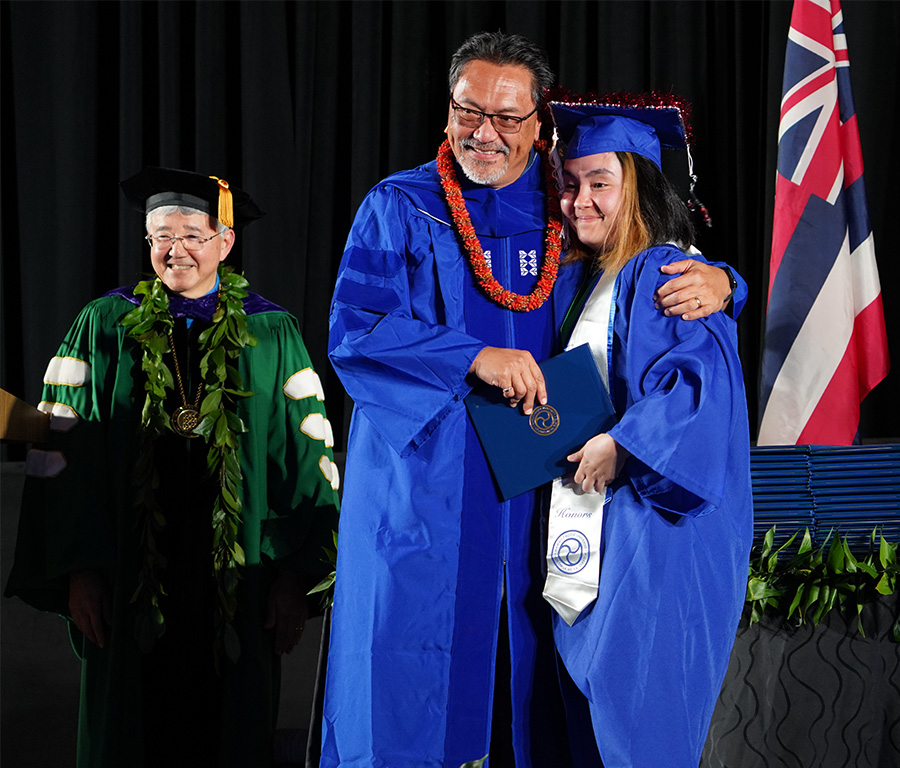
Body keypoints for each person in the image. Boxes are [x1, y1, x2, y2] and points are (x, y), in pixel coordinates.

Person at [320, 32, 746, 768]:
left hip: (541, 506)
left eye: (508, 118)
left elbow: (637, 288)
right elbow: (355, 332)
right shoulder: (400, 208)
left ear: (539, 125)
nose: (485, 132)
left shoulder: (562, 215)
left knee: (540, 712)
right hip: (424, 506)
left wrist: (724, 283)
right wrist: (475, 356)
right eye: (469, 111)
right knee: (408, 701)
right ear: (448, 110)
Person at [5, 167, 340, 768]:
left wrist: (295, 576)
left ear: (225, 242)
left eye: (191, 234)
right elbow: (60, 448)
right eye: (161, 235)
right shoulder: (104, 325)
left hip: (241, 581)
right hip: (127, 575)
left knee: (229, 730)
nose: (175, 250)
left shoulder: (271, 331)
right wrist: (79, 569)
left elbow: (304, 458)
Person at [544, 96, 753, 767]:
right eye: (571, 185)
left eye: (600, 183)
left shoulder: (668, 272)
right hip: (606, 540)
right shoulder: (588, 280)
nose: (580, 201)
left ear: (638, 185)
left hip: (657, 540)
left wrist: (620, 445)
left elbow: (694, 390)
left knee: (644, 728)